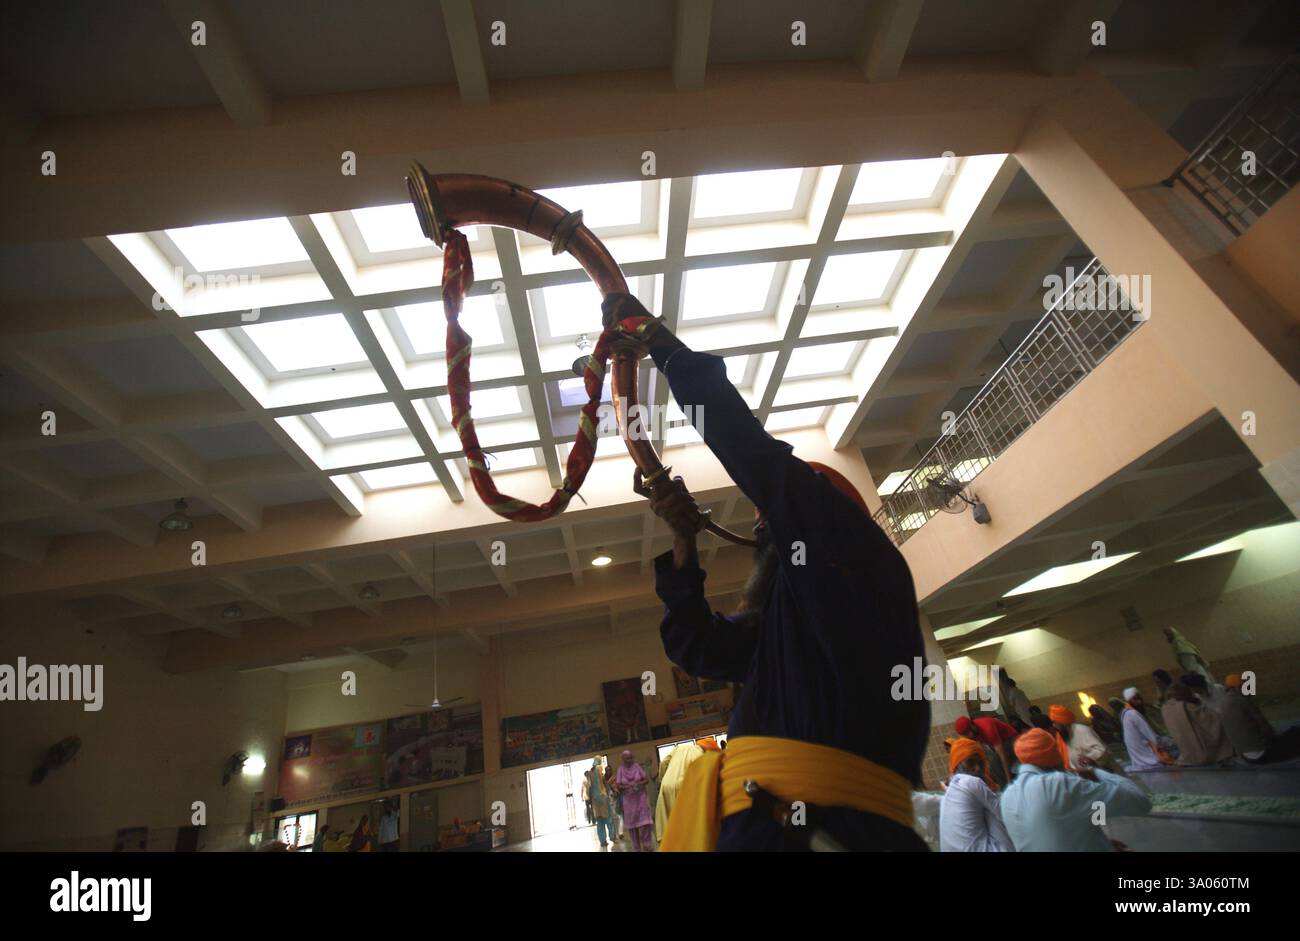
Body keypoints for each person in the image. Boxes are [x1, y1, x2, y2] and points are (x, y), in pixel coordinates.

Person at [622, 294, 928, 852]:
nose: (761, 526)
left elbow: (755, 455)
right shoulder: (789, 620)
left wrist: (668, 351)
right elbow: (698, 647)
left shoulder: (856, 555)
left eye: (771, 518)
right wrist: (684, 541)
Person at [999, 729, 1151, 852]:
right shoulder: (1058, 784)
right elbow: (1140, 801)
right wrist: (1094, 770)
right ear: (1055, 758)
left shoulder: (1007, 796)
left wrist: (1099, 842)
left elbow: (1051, 833)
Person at [939, 738, 1014, 852]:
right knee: (993, 806)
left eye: (980, 763)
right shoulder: (972, 782)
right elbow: (1003, 815)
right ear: (958, 763)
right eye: (970, 763)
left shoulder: (950, 788)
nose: (978, 768)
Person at [1161, 682, 1234, 766]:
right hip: (1204, 752)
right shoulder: (1188, 706)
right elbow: (1214, 721)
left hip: (1187, 752)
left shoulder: (1165, 708)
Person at [1120, 687, 1176, 770]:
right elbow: (1154, 739)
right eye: (1135, 700)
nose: (1140, 702)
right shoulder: (1133, 714)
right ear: (1129, 701)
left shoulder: (1126, 712)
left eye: (1140, 699)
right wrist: (1173, 741)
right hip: (1147, 757)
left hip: (1139, 756)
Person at [954, 714, 1017, 787]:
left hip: (1012, 740)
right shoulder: (974, 733)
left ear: (972, 726)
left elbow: (1002, 756)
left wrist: (1009, 780)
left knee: (995, 763)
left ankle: (1008, 787)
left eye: (967, 734)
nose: (968, 737)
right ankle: (1004, 786)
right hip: (1000, 743)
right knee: (990, 766)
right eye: (965, 735)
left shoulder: (987, 728)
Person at [615, 750, 656, 852]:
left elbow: (646, 780)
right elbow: (618, 785)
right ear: (623, 759)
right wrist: (626, 786)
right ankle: (636, 847)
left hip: (640, 798)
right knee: (632, 827)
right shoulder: (620, 770)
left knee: (645, 823)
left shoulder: (637, 766)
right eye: (627, 759)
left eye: (630, 758)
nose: (629, 760)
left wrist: (639, 784)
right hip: (628, 801)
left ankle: (647, 845)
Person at [587, 758, 614, 849]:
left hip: (595, 800)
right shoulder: (598, 768)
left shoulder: (590, 772)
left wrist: (590, 801)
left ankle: (602, 841)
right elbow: (602, 783)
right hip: (603, 798)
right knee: (609, 818)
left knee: (600, 821)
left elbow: (590, 788)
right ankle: (612, 836)